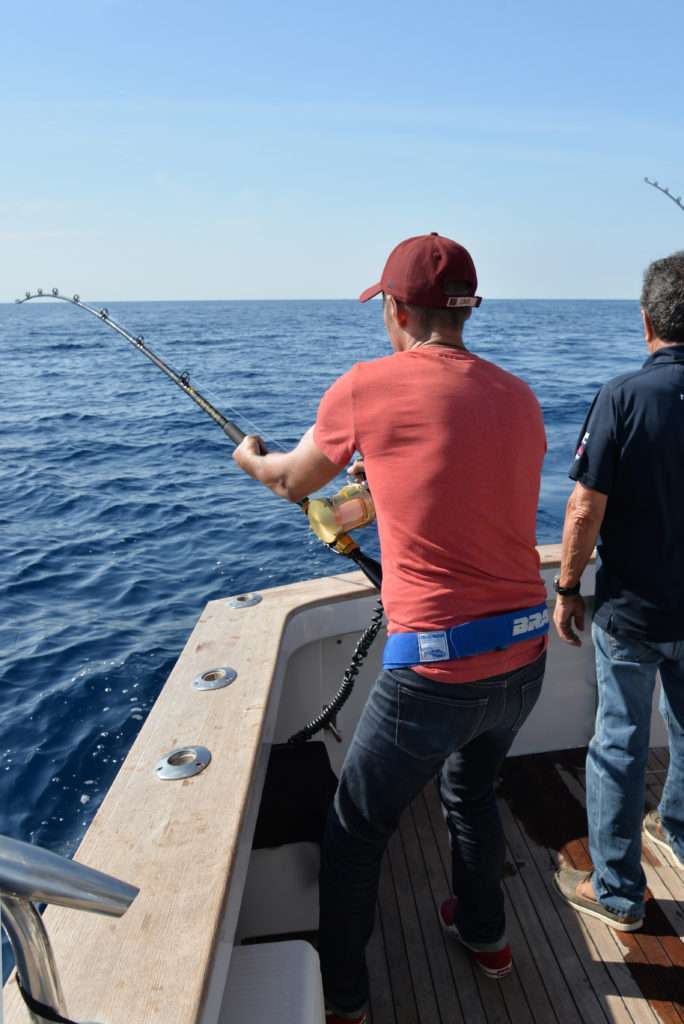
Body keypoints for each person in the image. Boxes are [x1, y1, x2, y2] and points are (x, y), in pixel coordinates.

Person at [234, 233, 548, 1024]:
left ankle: (344, 1000)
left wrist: (251, 460)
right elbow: (453, 486)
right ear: (466, 311)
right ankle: (487, 937)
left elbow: (294, 482)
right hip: (526, 655)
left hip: (435, 674)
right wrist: (377, 485)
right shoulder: (518, 395)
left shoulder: (364, 387)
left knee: (355, 830)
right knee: (472, 793)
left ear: (396, 310)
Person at [553, 252, 684, 933]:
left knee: (620, 744)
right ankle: (680, 835)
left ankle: (618, 893)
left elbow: (582, 508)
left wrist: (568, 585)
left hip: (631, 611)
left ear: (645, 323)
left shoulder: (622, 395)